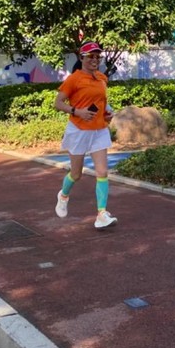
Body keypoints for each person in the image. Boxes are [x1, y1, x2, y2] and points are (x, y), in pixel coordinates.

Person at [53, 41, 117, 229]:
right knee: (76, 174)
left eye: (98, 56)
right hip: (78, 130)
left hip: (99, 130)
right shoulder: (74, 79)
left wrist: (107, 113)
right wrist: (77, 111)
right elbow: (58, 103)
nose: (95, 60)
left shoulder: (102, 78)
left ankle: (101, 214)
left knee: (102, 172)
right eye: (90, 56)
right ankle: (63, 195)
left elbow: (102, 102)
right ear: (82, 58)